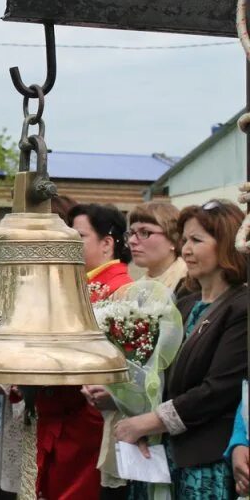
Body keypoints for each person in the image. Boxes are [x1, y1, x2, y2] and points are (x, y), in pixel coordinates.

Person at [115, 200, 248, 499]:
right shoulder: (185, 303)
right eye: (184, 239)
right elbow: (157, 373)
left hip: (205, 460)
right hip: (163, 453)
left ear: (226, 244)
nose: (186, 249)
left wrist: (150, 421)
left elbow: (219, 390)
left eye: (197, 240)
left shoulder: (242, 306)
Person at [29, 203, 132, 499]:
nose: (70, 243)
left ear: (107, 243)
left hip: (86, 419)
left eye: (80, 236)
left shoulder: (121, 289)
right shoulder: (76, 283)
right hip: (59, 414)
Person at [127, 202, 188, 295]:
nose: (131, 240)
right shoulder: (134, 290)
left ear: (173, 239)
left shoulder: (189, 284)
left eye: (144, 232)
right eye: (131, 233)